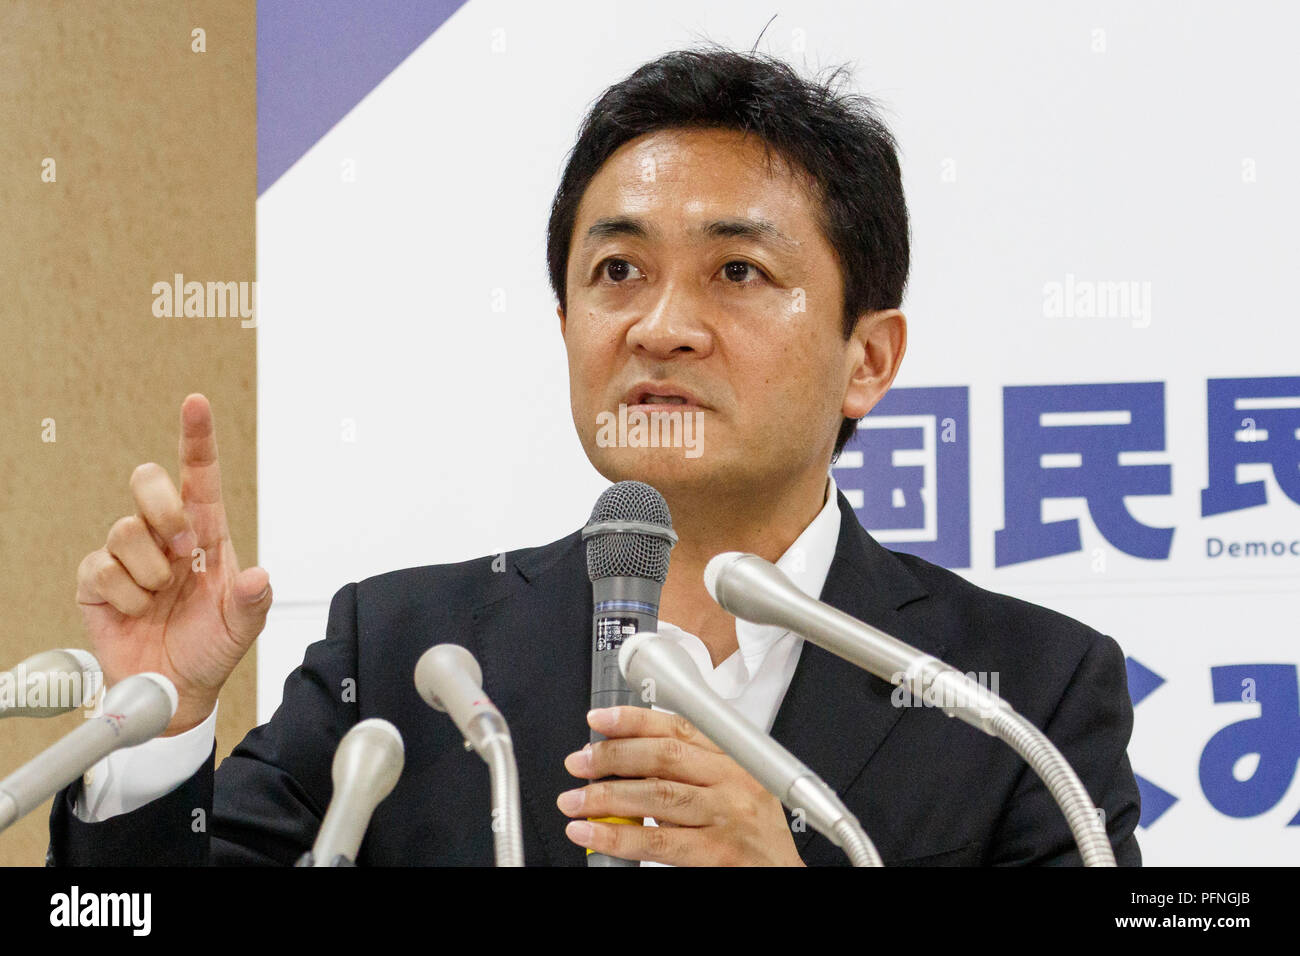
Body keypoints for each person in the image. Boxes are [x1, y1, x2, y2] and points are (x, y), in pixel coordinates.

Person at [52, 47, 1141, 866]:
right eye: (617, 269)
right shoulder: (404, 654)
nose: (660, 324)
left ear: (868, 357)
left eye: (737, 272)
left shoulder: (1021, 696)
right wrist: (159, 725)